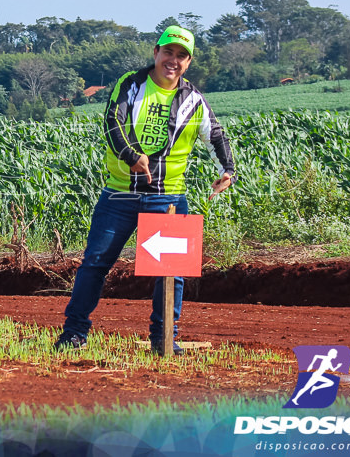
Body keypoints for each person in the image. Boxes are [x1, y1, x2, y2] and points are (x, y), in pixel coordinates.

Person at [55, 25, 235, 356]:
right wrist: (130, 155)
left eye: (182, 56)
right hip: (120, 194)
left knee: (171, 273)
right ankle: (74, 332)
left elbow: (216, 136)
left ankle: (164, 338)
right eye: (168, 52)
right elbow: (113, 122)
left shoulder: (193, 100)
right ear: (156, 52)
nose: (173, 61)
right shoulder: (131, 84)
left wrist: (228, 170)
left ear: (189, 62)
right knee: (94, 263)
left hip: (168, 198)